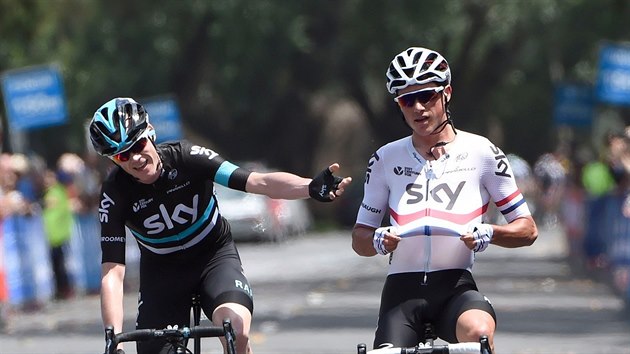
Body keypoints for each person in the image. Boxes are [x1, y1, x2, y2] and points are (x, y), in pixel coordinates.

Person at [89, 97, 352, 354]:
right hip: (162, 272)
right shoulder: (114, 192)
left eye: (138, 145)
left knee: (235, 330)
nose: (135, 158)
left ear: (151, 133)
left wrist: (308, 187)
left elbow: (257, 182)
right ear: (113, 160)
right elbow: (112, 272)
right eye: (122, 156)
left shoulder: (187, 157)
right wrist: (114, 340)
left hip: (212, 258)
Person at [351, 47, 538, 352]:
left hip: (455, 288)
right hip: (402, 292)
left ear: (446, 93)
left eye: (427, 96)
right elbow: (359, 238)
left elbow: (528, 230)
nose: (418, 108)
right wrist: (376, 240)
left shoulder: (482, 153)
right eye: (407, 100)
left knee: (479, 332)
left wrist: (490, 233)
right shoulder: (385, 158)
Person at [42, 168, 76, 300]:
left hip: (57, 234)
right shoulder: (56, 192)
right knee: (58, 265)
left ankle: (64, 289)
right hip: (56, 234)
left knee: (60, 265)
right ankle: (61, 289)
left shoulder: (56, 192)